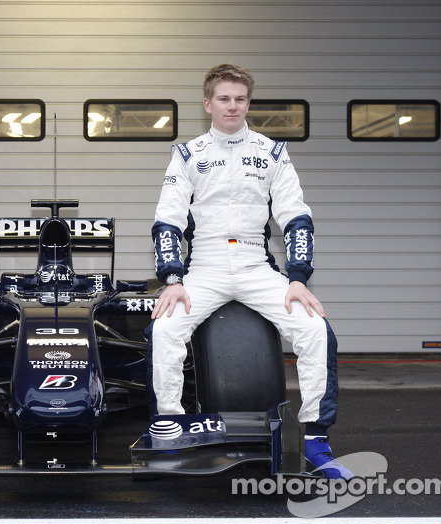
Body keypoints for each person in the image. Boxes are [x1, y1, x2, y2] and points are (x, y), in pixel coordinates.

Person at [148, 63, 351, 479]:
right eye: (224, 98)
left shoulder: (273, 151)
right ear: (208, 104)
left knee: (315, 330)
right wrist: (172, 278)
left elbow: (296, 217)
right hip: (203, 265)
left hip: (256, 263)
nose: (232, 106)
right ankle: (169, 429)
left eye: (240, 99)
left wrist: (298, 278)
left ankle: (315, 439)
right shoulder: (187, 154)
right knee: (165, 329)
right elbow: (167, 221)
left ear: (248, 103)